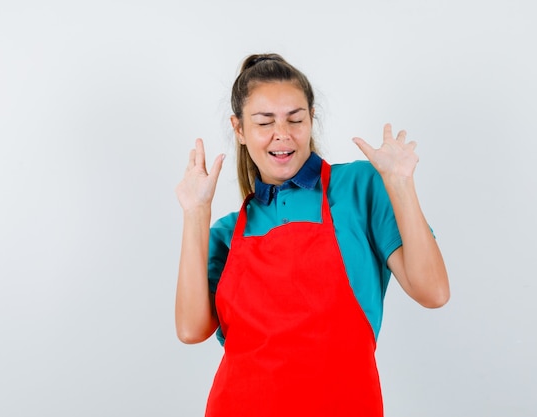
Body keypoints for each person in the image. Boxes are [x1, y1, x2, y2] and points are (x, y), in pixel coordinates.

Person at [175, 53, 450, 417]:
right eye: (264, 122)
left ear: (311, 118)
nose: (283, 134)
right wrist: (196, 213)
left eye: (295, 119)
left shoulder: (358, 187)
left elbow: (433, 292)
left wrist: (399, 184)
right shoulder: (227, 234)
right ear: (239, 129)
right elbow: (191, 330)